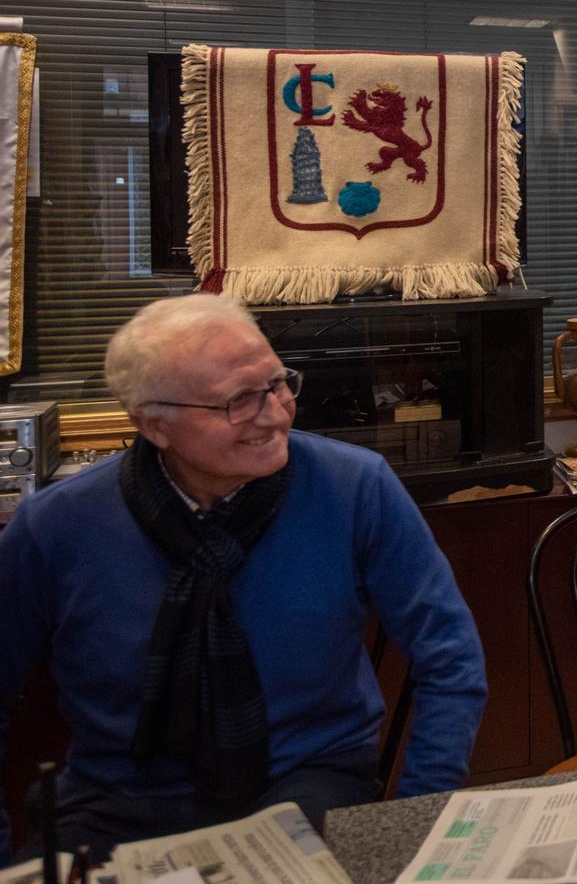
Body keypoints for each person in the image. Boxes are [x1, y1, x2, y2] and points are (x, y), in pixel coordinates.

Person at [0, 295, 486, 858]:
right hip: (118, 800)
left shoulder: (353, 486)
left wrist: (412, 824)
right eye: (237, 402)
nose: (275, 414)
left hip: (308, 780)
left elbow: (450, 658)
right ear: (153, 424)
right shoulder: (60, 523)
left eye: (278, 384)